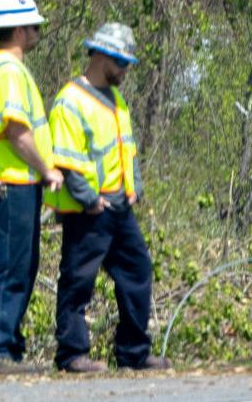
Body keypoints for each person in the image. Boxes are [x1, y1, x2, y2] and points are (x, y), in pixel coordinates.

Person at [46, 22, 171, 373]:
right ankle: (72, 355)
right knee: (78, 279)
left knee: (138, 271)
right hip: (90, 210)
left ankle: (132, 353)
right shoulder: (70, 101)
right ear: (101, 56)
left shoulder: (116, 100)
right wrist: (90, 200)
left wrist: (135, 189)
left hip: (119, 206)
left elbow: (126, 149)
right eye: (121, 63)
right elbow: (67, 159)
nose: (125, 70)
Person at [0, 0, 63, 375]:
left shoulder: (7, 68)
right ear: (20, 29)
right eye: (34, 24)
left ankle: (7, 348)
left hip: (15, 184)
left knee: (20, 267)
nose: (38, 30)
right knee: (7, 266)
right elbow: (16, 131)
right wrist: (48, 170)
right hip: (10, 182)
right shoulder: (8, 71)